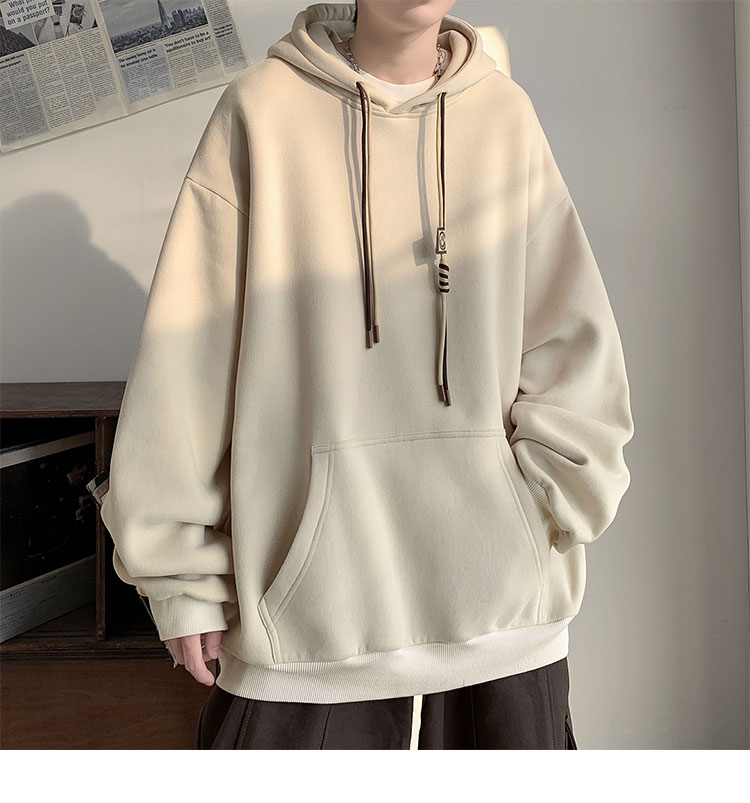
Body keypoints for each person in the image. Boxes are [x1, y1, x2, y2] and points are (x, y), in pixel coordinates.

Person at [100, 0, 634, 749]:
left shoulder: (504, 117)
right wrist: (182, 577)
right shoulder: (261, 112)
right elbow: (187, 360)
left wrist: (539, 512)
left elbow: (572, 343)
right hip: (307, 636)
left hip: (506, 629)